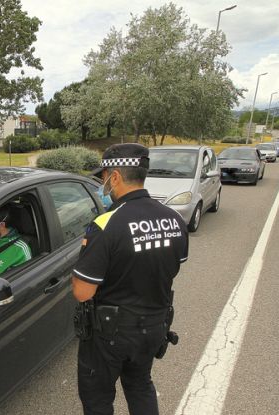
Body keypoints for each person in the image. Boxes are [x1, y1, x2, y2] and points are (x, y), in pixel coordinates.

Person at [72, 143, 189, 415]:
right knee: (139, 386)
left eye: (103, 178)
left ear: (115, 177)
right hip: (154, 325)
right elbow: (174, 265)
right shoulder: (173, 219)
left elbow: (82, 292)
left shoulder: (106, 224)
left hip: (110, 334)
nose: (102, 185)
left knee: (98, 399)